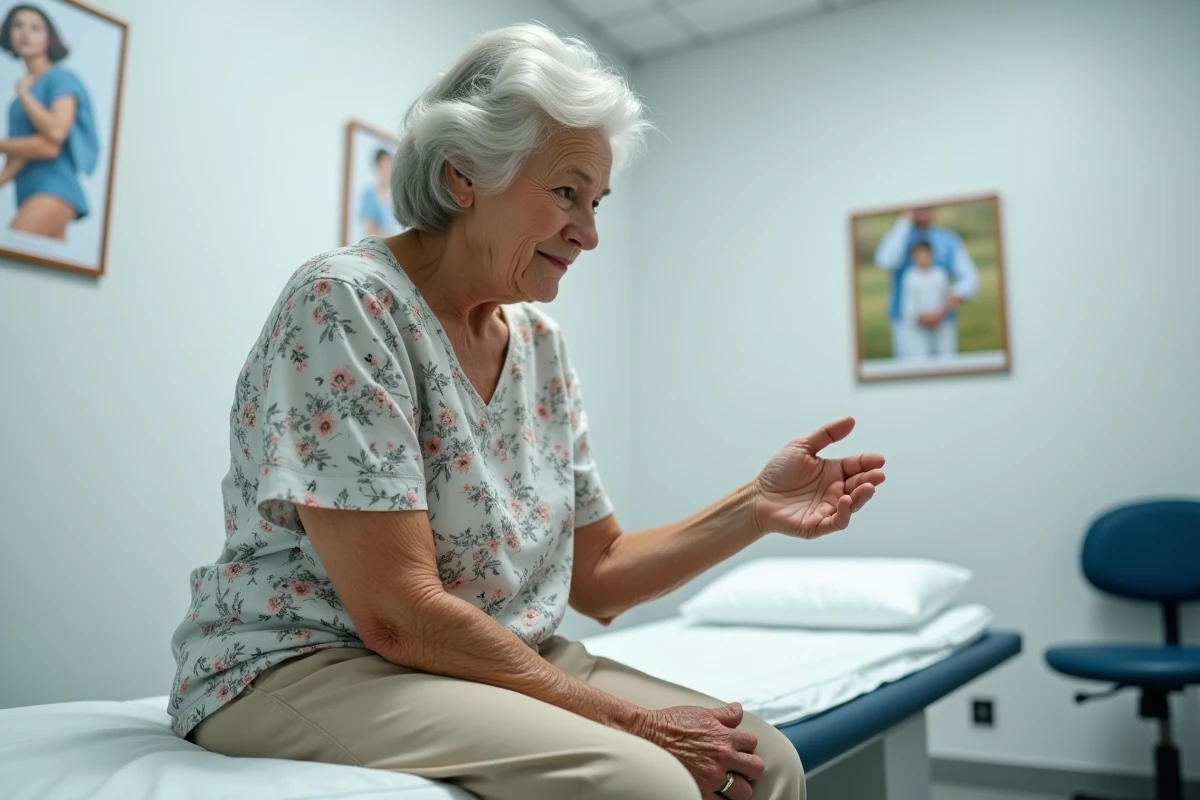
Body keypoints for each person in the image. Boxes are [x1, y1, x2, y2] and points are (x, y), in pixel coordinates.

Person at [169, 23, 885, 800]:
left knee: (763, 761)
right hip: (313, 661)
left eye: (598, 199)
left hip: (492, 651)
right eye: (567, 193)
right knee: (647, 782)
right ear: (464, 176)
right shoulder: (347, 303)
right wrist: (635, 724)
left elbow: (599, 576)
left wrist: (757, 507)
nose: (591, 232)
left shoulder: (539, 343)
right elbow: (397, 616)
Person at [0, 4, 99, 241]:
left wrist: (25, 95)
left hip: (55, 189)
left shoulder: (61, 79)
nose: (25, 33)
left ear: (49, 37)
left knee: (15, 248)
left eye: (35, 28)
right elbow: (22, 154)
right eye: (18, 26)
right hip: (27, 191)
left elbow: (53, 137)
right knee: (35, 273)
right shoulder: (16, 105)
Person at [873, 206, 979, 360]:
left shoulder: (948, 240)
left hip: (943, 321)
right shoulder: (900, 236)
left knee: (946, 369)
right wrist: (905, 221)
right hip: (906, 323)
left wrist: (943, 310)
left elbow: (970, 279)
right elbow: (885, 261)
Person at [900, 240, 955, 359]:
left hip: (940, 325)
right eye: (919, 255)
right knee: (920, 359)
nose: (922, 258)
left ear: (932, 255)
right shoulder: (910, 277)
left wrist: (939, 315)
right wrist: (921, 318)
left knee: (944, 358)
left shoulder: (940, 275)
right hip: (919, 328)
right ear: (913, 257)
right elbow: (908, 304)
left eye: (925, 254)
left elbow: (946, 298)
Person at [358, 147, 401, 237]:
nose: (387, 172)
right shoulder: (369, 195)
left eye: (389, 168)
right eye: (383, 167)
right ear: (377, 169)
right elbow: (369, 230)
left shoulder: (394, 197)